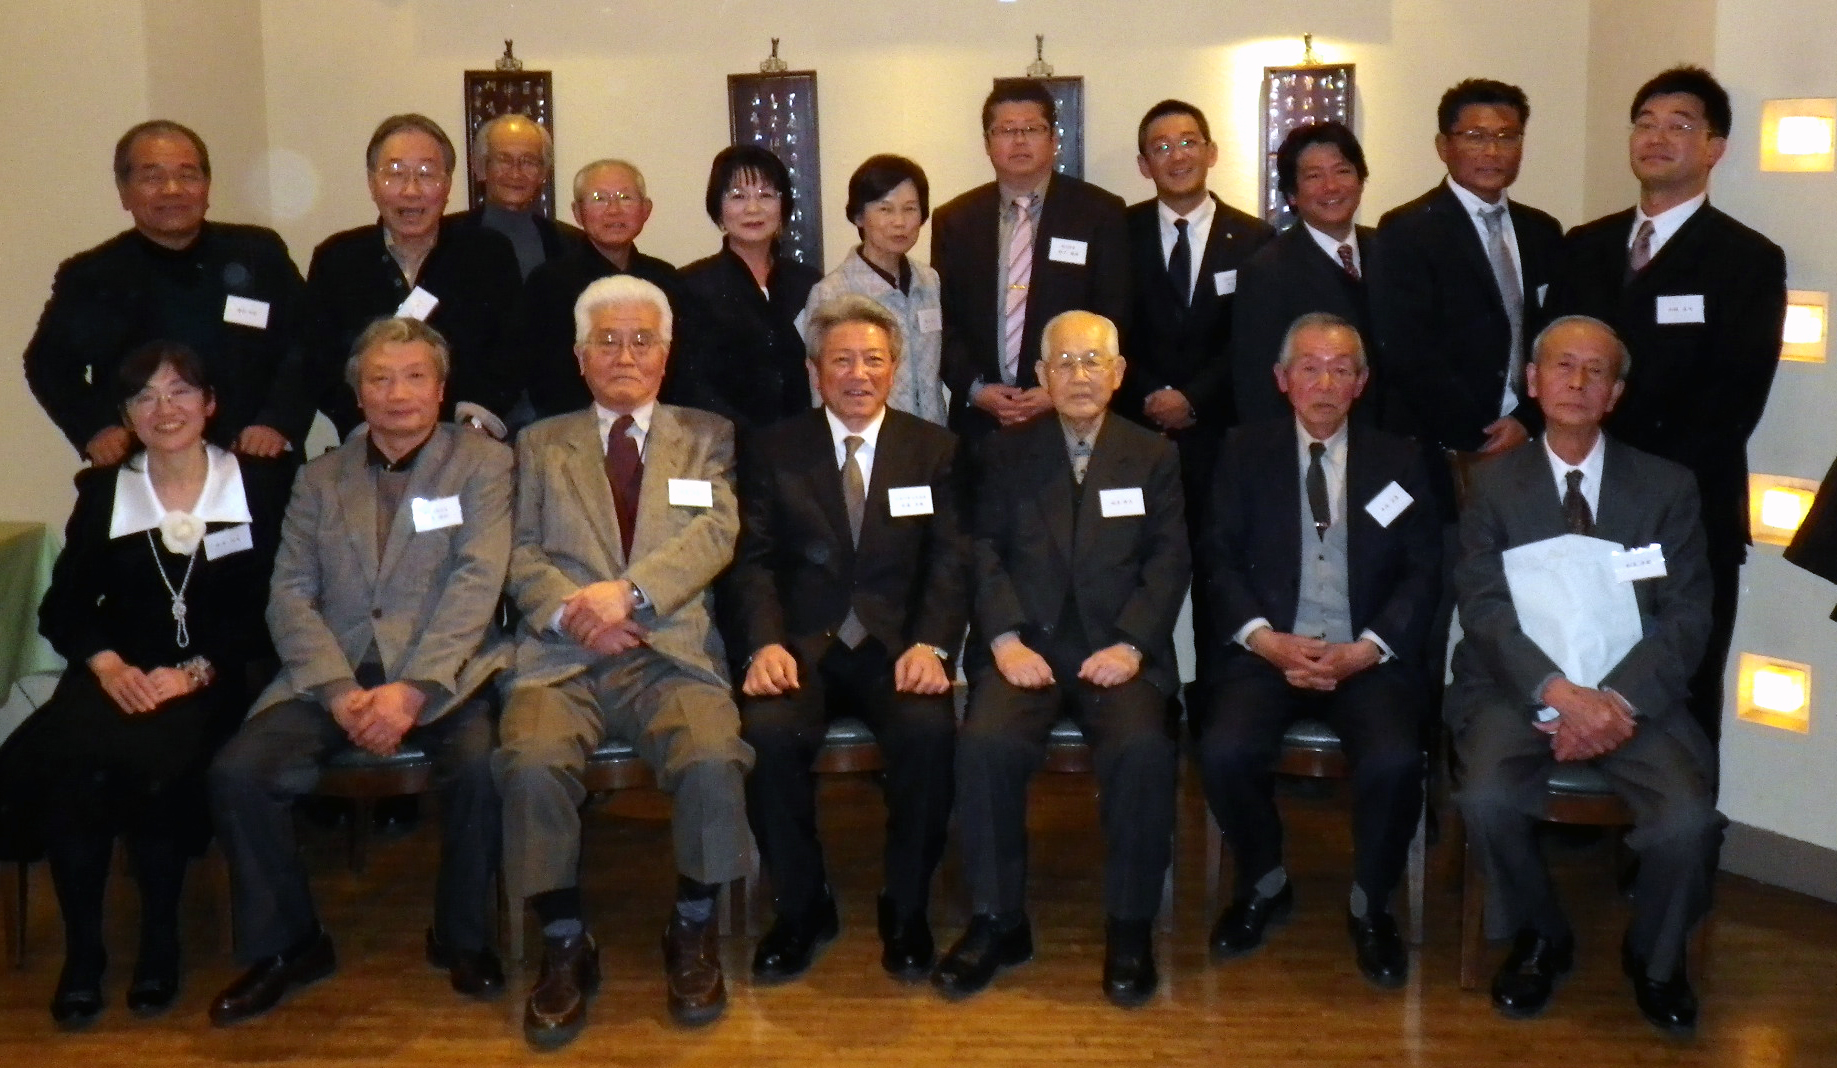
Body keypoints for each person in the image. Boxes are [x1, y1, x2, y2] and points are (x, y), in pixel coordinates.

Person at [207, 317, 512, 1026]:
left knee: (482, 766)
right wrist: (339, 690)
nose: (398, 393)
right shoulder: (319, 476)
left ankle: (462, 937)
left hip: (446, 672)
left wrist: (414, 689)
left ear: (441, 388)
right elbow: (289, 592)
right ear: (357, 393)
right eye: (380, 378)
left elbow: (477, 583)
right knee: (239, 772)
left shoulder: (484, 464)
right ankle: (290, 945)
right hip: (331, 672)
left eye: (414, 377)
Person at [494, 275, 753, 1044]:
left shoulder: (707, 435)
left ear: (666, 355)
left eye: (642, 340)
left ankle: (692, 926)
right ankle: (564, 939)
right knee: (530, 763)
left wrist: (629, 597)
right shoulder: (538, 444)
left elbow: (714, 533)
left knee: (713, 757)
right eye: (606, 341)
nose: (625, 355)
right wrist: (577, 612)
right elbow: (519, 551)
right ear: (579, 356)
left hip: (665, 651)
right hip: (561, 655)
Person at [0, 342, 289, 1027]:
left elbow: (274, 606)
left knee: (158, 763)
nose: (165, 410)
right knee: (69, 765)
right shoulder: (105, 490)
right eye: (145, 397)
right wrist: (108, 666)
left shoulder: (259, 485)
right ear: (126, 414)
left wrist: (194, 672)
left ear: (210, 403)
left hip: (219, 674)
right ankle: (84, 954)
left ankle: (160, 943)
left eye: (180, 392)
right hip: (118, 672)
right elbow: (64, 607)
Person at [1450, 315, 1723, 1035]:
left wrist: (1612, 702)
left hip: (1632, 697)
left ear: (1615, 393)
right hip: (1518, 688)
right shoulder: (1490, 483)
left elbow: (1687, 614)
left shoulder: (1666, 487)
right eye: (1561, 366)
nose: (1576, 381)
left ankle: (1654, 957)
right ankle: (1541, 934)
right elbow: (1483, 608)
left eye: (1594, 371)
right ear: (1532, 381)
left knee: (1687, 821)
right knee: (1485, 798)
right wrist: (1556, 693)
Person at [936, 310, 1188, 1008]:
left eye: (1093, 361)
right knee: (985, 744)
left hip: (1119, 651)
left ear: (1118, 373)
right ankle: (997, 921)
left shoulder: (1153, 455)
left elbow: (1168, 562)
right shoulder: (1004, 453)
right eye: (1065, 363)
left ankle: (1130, 927)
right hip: (1027, 648)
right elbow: (983, 551)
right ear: (1043, 376)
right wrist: (1003, 641)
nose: (1080, 375)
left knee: (1142, 750)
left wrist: (1132, 645)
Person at [1195, 312, 1440, 989]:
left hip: (1366, 657)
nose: (1324, 383)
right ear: (1282, 379)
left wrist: (1371, 648)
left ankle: (1370, 902)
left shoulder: (1399, 459)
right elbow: (1217, 559)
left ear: (1361, 382)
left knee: (1394, 760)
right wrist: (1264, 640)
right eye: (1309, 368)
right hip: (1270, 651)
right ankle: (1264, 877)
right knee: (1223, 750)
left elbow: (1424, 570)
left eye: (1340, 370)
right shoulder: (1243, 452)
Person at [1548, 66, 1787, 747]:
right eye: (1644, 123)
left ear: (1714, 148)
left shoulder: (1747, 259)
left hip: (1684, 514)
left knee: (1679, 699)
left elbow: (1734, 400)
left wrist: (1630, 477)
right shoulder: (1584, 246)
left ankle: (1674, 816)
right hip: (1573, 510)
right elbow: (1551, 373)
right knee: (1569, 677)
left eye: (1679, 125)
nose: (1656, 138)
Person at [733, 295, 966, 984]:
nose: (858, 374)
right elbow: (752, 561)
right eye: (841, 360)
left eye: (872, 359)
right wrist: (764, 644)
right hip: (801, 647)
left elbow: (950, 561)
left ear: (894, 368)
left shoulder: (933, 448)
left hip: (898, 648)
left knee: (929, 735)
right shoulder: (775, 448)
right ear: (815, 371)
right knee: (766, 736)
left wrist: (932, 646)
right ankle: (801, 908)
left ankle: (906, 906)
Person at [24, 120, 312, 464]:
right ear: (124, 191)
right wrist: (97, 429)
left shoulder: (258, 254)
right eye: (152, 177)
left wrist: (277, 422)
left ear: (206, 185)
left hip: (252, 453)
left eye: (187, 175)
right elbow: (48, 364)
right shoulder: (93, 276)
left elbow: (306, 341)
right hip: (143, 462)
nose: (172, 190)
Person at [1122, 98, 1275, 709]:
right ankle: (1147, 698)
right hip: (1137, 435)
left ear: (1211, 152)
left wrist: (1193, 397)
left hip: (1222, 439)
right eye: (1160, 147)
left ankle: (1218, 701)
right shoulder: (1119, 232)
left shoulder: (1255, 238)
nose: (1176, 156)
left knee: (1221, 571)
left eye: (1188, 142)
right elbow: (1110, 326)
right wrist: (1149, 395)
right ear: (1144, 164)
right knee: (1137, 572)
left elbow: (1253, 337)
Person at [1373, 79, 1566, 500]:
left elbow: (1556, 335)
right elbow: (1406, 350)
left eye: (1507, 136)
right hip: (1438, 447)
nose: (1492, 151)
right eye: (1476, 136)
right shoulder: (1406, 230)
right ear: (1444, 146)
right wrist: (1481, 433)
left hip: (1531, 443)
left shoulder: (1543, 231)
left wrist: (1528, 421)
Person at [931, 81, 1130, 439]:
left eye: (1032, 129)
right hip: (981, 420)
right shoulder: (955, 220)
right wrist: (975, 389)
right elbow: (942, 318)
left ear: (1054, 140)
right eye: (1006, 130)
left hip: (1071, 416)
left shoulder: (1099, 213)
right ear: (987, 144)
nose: (1020, 140)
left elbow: (1114, 314)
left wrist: (1059, 388)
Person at [303, 113, 521, 438]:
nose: (411, 190)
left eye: (426, 174)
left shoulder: (488, 254)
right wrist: (368, 427)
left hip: (467, 436)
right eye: (395, 173)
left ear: (447, 184)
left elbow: (511, 350)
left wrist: (474, 423)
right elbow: (320, 360)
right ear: (371, 183)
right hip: (370, 438)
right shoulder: (337, 259)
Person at [1231, 121, 1381, 426]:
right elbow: (1257, 384)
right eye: (1314, 176)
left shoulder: (1390, 249)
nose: (1331, 187)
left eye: (1342, 171)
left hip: (1394, 441)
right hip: (1313, 438)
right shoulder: (1266, 270)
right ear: (1292, 195)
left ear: (1360, 181)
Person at [521, 159, 694, 420]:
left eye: (625, 198)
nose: (614, 210)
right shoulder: (549, 282)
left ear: (646, 210)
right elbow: (546, 377)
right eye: (599, 199)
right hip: (577, 426)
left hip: (658, 423)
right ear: (577, 212)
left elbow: (679, 367)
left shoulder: (666, 278)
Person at [677, 145, 821, 435]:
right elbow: (689, 382)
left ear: (783, 206)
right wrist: (750, 438)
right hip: (722, 443)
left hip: (803, 442)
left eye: (766, 195)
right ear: (718, 209)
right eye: (738, 196)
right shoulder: (691, 285)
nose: (753, 209)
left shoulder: (809, 283)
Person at [801, 155, 948, 425]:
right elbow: (821, 389)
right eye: (885, 209)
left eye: (910, 209)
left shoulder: (929, 281)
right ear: (859, 216)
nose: (899, 222)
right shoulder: (832, 292)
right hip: (870, 438)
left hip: (933, 435)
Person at [448, 113, 583, 280]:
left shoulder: (572, 244)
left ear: (543, 173)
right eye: (503, 160)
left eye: (528, 161)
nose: (515, 173)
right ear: (480, 167)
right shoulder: (444, 238)